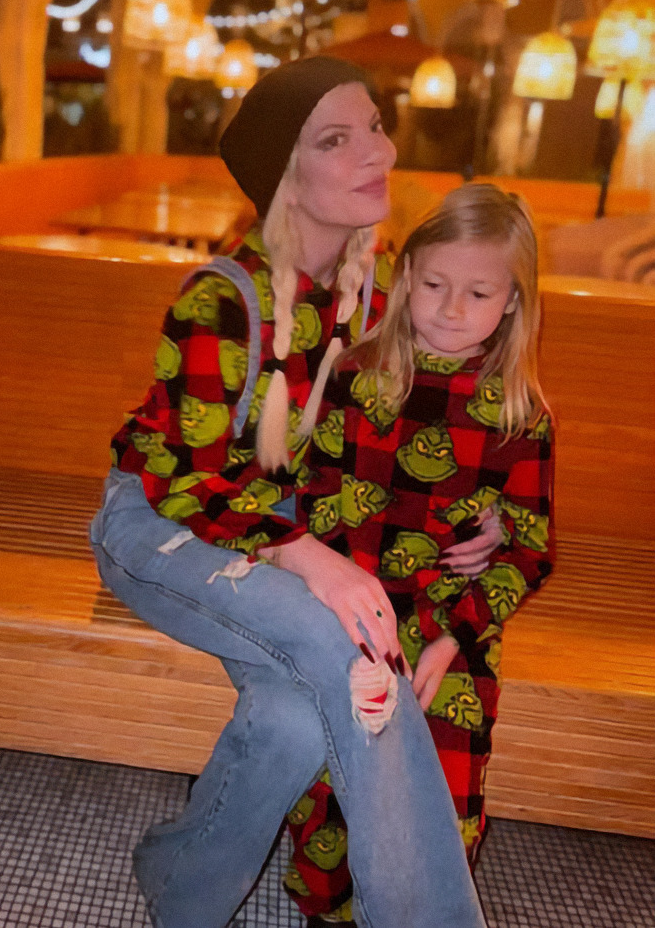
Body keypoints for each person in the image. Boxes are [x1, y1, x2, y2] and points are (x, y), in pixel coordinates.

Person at [90, 55, 492, 928]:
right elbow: (186, 478)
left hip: (275, 538)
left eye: (376, 126)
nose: (376, 150)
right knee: (341, 635)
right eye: (337, 139)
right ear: (287, 177)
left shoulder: (375, 297)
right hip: (159, 525)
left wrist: (488, 511)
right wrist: (315, 561)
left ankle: (179, 889)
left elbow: (425, 433)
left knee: (296, 717)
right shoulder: (222, 300)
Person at [285, 183, 555, 925]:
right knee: (332, 766)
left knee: (442, 781)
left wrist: (449, 636)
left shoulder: (518, 416)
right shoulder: (355, 377)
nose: (450, 308)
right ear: (406, 279)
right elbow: (310, 505)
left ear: (512, 303)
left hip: (451, 624)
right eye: (434, 284)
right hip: (345, 609)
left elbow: (531, 552)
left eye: (477, 292)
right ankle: (327, 909)